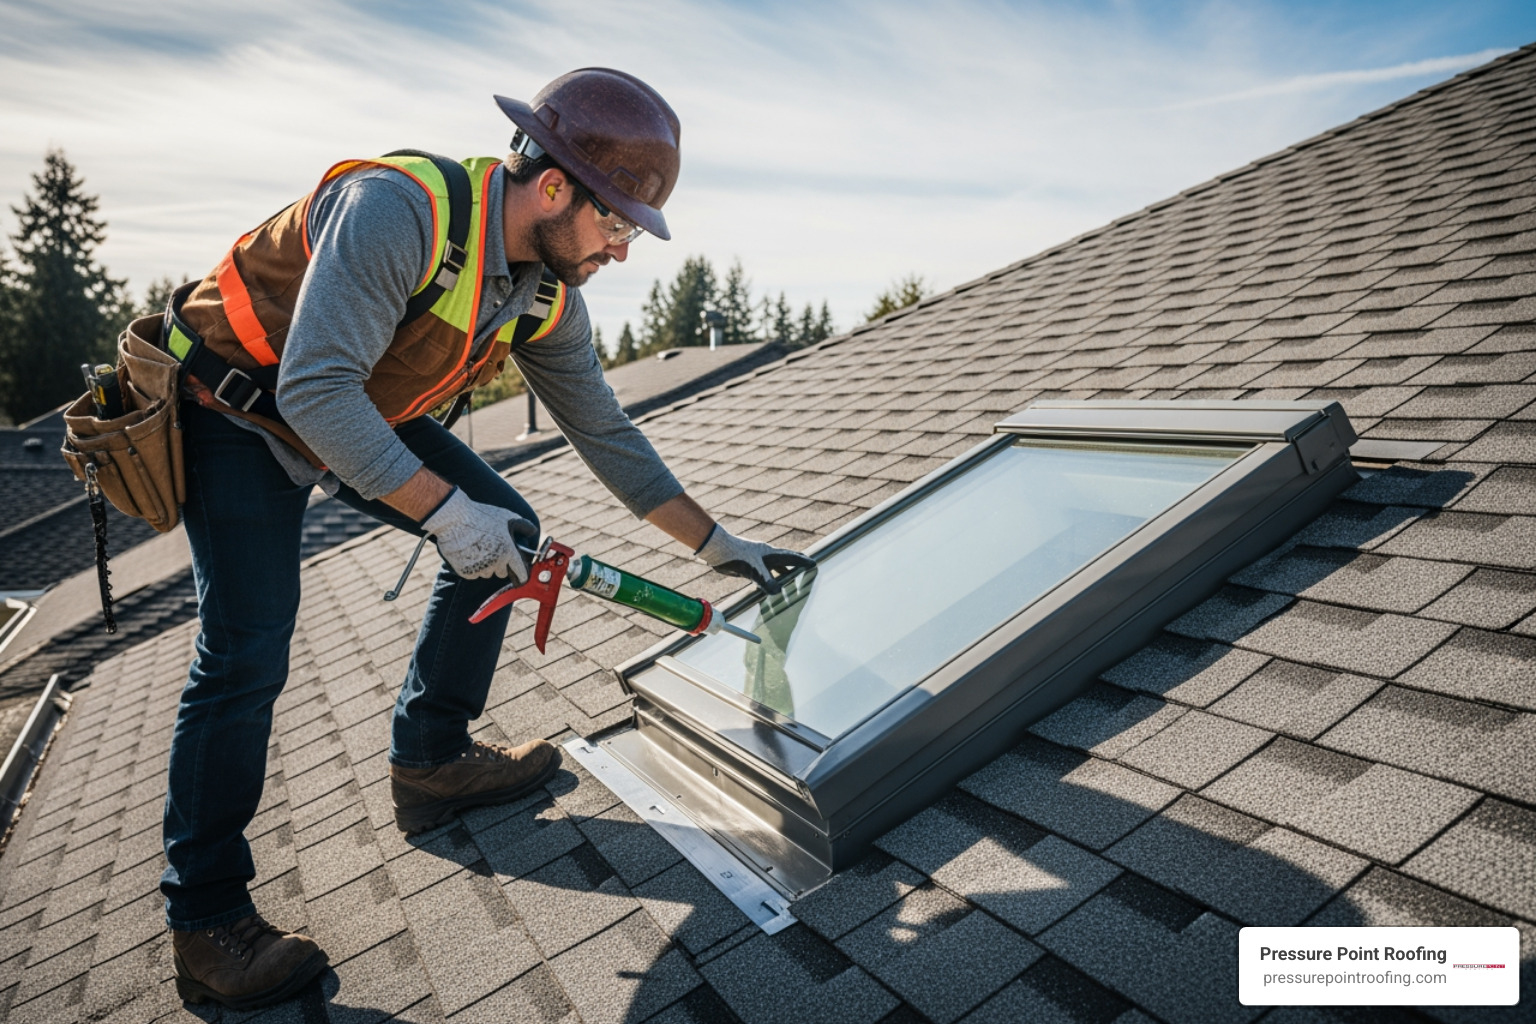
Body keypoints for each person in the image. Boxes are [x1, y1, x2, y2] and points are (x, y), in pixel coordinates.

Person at [156, 68, 812, 1010]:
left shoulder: (546, 291)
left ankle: (430, 756)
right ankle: (207, 922)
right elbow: (312, 392)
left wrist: (717, 544)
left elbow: (606, 434)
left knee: (512, 527)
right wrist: (444, 513)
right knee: (247, 649)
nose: (622, 250)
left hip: (350, 401)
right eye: (617, 223)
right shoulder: (397, 212)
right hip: (241, 404)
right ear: (554, 188)